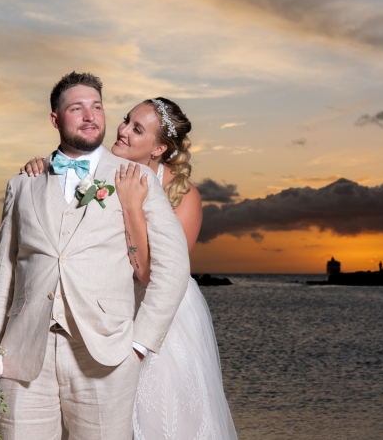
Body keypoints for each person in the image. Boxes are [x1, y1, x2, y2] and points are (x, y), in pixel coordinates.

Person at [0, 72, 189, 440]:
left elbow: (172, 270)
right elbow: (4, 277)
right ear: (55, 119)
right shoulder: (22, 184)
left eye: (97, 107)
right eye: (77, 108)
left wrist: (137, 348)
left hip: (106, 358)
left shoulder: (136, 179)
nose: (90, 116)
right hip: (23, 357)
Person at [22, 97, 238, 439]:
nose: (121, 130)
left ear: (159, 148)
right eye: (125, 120)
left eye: (137, 129)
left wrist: (132, 207)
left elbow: (153, 275)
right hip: (106, 310)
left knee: (159, 417)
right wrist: (43, 167)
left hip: (164, 317)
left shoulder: (184, 195)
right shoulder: (98, 171)